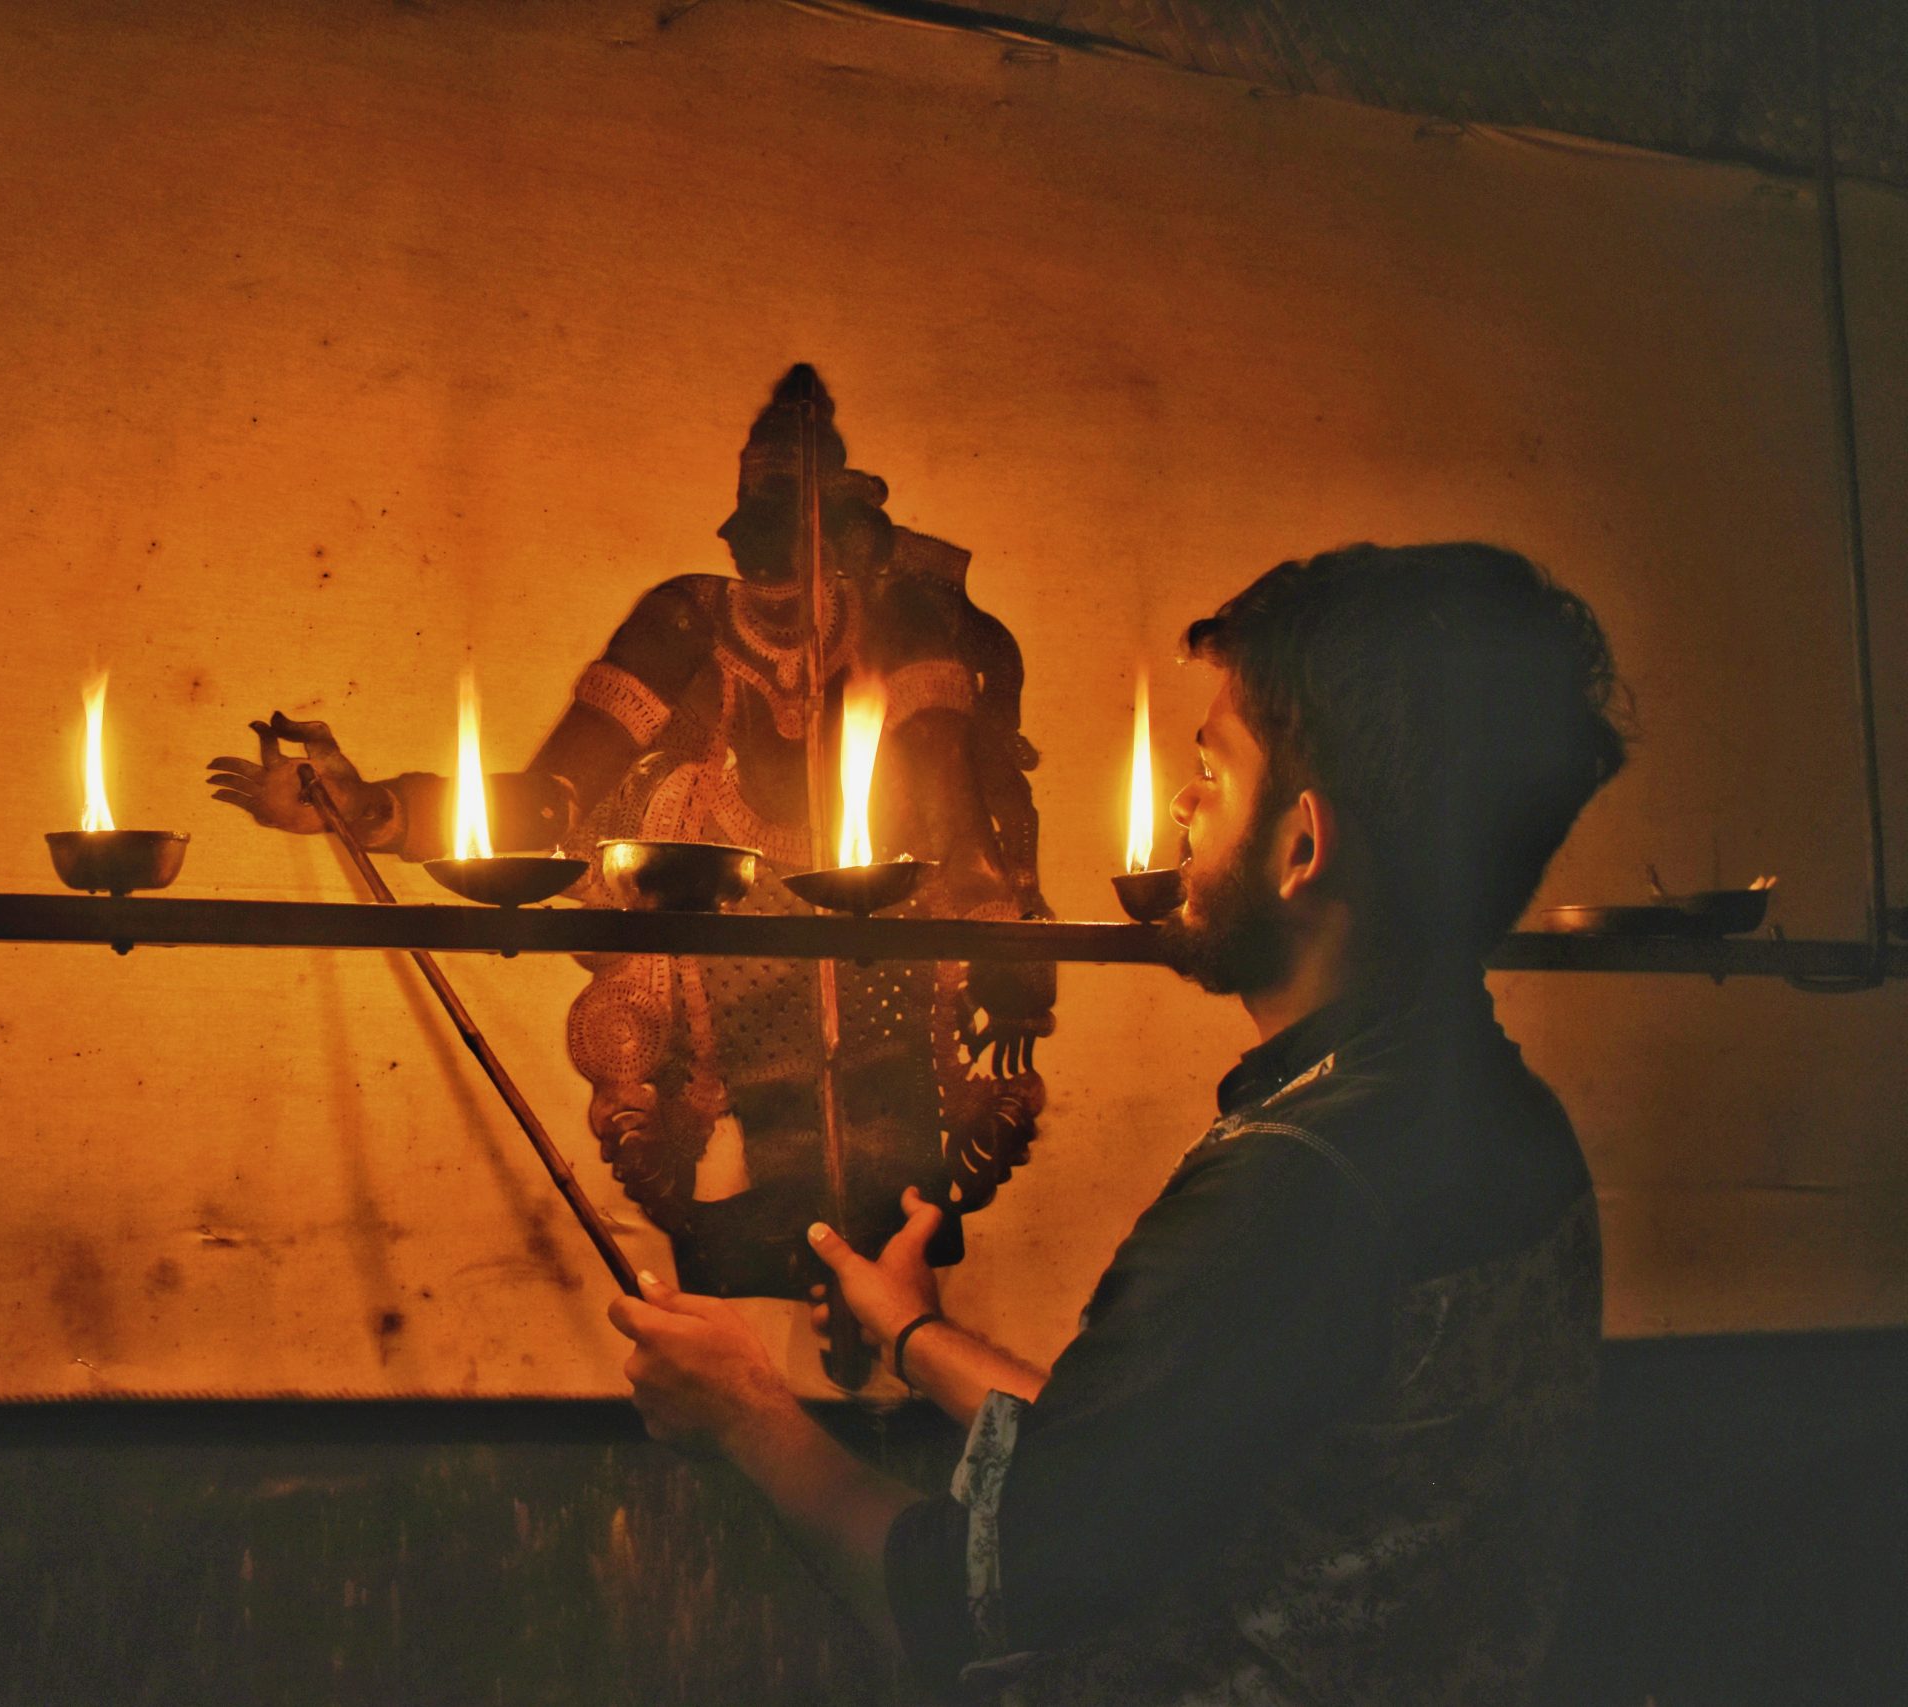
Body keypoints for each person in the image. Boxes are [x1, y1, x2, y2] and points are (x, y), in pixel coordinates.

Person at [609, 542, 1629, 1703]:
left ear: (1302, 845)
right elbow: (1172, 1450)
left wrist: (745, 1413)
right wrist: (913, 1337)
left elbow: (970, 1601)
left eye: (1214, 769)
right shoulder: (1494, 1115)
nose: (1184, 807)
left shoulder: (1298, 1181)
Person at [209, 366, 1052, 1308]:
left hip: (884, 979)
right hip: (716, 992)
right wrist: (377, 810)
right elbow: (550, 803)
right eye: (757, 540)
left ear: (846, 535)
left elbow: (958, 819)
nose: (775, 580)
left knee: (895, 1225)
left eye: (798, 540)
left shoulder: (903, 623)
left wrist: (1009, 937)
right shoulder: (687, 620)